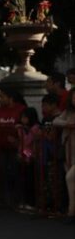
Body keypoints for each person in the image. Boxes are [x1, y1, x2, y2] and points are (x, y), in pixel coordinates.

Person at [0, 88, 26, 206]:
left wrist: (18, 141)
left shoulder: (21, 110)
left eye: (2, 96)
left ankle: (17, 199)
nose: (0, 99)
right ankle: (2, 199)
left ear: (10, 98)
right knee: (0, 171)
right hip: (0, 147)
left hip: (16, 147)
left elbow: (26, 127)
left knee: (16, 172)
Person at [53, 89, 75, 223]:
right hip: (69, 151)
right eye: (74, 98)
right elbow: (56, 121)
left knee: (70, 178)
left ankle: (71, 211)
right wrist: (68, 124)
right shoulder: (68, 113)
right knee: (71, 180)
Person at [16, 107, 42, 210]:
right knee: (24, 180)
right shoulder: (24, 128)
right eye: (22, 117)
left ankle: (32, 202)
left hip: (33, 156)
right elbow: (22, 143)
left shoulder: (35, 128)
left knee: (31, 181)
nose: (23, 120)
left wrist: (20, 130)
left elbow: (27, 141)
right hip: (24, 155)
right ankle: (25, 201)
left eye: (25, 117)